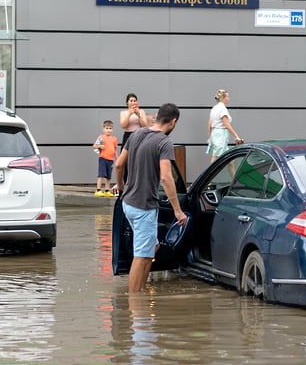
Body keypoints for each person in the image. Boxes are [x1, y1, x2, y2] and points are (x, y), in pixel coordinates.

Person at [113, 103, 188, 292]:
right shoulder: (164, 142)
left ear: (156, 116)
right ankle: (136, 304)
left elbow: (119, 165)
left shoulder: (137, 133)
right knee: (141, 257)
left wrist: (122, 187)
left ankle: (141, 291)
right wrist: (178, 211)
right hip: (143, 207)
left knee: (152, 247)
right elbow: (166, 177)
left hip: (128, 203)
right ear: (173, 122)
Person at [206, 89, 243, 163]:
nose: (228, 99)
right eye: (227, 97)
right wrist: (236, 136)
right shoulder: (222, 109)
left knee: (230, 161)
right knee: (215, 157)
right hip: (221, 135)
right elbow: (227, 124)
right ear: (222, 98)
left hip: (214, 134)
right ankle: (210, 174)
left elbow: (209, 123)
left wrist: (210, 137)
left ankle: (233, 174)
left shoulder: (214, 108)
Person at [93, 120, 118, 197]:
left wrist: (117, 158)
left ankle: (107, 190)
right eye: (107, 128)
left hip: (110, 160)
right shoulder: (101, 137)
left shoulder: (114, 139)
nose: (108, 130)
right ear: (103, 129)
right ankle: (98, 189)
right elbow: (94, 146)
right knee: (101, 174)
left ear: (112, 129)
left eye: (110, 128)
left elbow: (115, 149)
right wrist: (100, 146)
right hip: (103, 158)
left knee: (108, 176)